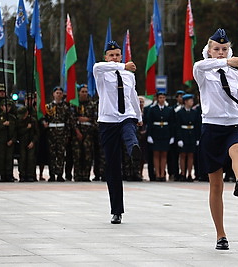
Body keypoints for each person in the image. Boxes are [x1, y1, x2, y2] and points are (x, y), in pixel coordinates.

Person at [193, 28, 238, 250]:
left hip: (233, 125)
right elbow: (200, 65)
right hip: (212, 127)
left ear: (230, 50)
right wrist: (225, 63)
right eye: (216, 49)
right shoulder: (203, 70)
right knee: (215, 185)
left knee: (237, 149)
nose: (220, 52)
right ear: (208, 50)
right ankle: (220, 234)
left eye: (224, 49)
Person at [93, 40, 142, 224]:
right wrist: (121, 65)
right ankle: (116, 210)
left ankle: (133, 150)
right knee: (113, 166)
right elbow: (98, 67)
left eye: (118, 55)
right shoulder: (101, 73)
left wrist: (138, 116)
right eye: (111, 55)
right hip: (108, 120)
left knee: (130, 132)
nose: (114, 58)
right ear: (106, 57)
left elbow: (133, 96)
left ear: (122, 55)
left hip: (126, 116)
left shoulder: (128, 75)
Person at [44, 86, 73, 182]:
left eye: (60, 93)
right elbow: (44, 117)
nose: (59, 95)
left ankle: (60, 174)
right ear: (53, 94)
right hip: (51, 133)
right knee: (51, 154)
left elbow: (68, 121)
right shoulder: (48, 107)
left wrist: (67, 134)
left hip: (62, 133)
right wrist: (44, 123)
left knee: (61, 155)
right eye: (57, 93)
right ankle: (52, 174)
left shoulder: (66, 107)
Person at [146, 92, 175, 181]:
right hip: (156, 133)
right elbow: (149, 123)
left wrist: (172, 136)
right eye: (160, 98)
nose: (162, 99)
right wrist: (149, 135)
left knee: (164, 155)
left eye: (163, 97)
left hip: (165, 133)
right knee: (156, 154)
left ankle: (162, 174)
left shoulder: (169, 110)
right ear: (157, 99)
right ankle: (157, 174)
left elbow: (172, 123)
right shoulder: (152, 109)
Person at [71, 84, 96, 182]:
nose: (84, 94)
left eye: (86, 92)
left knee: (88, 155)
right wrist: (77, 132)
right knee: (77, 155)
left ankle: (86, 175)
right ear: (78, 93)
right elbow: (72, 119)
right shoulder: (75, 104)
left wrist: (88, 119)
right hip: (77, 133)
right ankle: (77, 175)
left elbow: (95, 118)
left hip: (88, 134)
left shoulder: (92, 104)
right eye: (82, 92)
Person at [175, 94, 200, 181]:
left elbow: (197, 126)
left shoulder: (195, 112)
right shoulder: (180, 112)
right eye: (190, 101)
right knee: (183, 155)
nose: (192, 102)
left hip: (192, 135)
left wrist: (197, 138)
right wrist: (179, 139)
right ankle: (182, 173)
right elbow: (178, 126)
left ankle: (189, 174)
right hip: (184, 134)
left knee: (191, 155)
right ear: (185, 101)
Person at [0, 100, 17, 182]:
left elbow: (15, 130)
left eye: (9, 106)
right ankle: (2, 174)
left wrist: (13, 140)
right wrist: (3, 125)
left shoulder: (13, 118)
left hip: (10, 140)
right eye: (5, 106)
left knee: (9, 158)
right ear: (2, 107)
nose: (7, 108)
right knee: (1, 158)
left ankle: (9, 174)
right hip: (1, 140)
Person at [16, 106, 39, 182]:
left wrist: (33, 142)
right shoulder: (19, 120)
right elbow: (18, 132)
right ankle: (22, 175)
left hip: (31, 142)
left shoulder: (32, 120)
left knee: (31, 159)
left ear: (27, 113)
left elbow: (37, 133)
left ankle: (30, 175)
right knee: (22, 159)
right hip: (22, 142)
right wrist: (27, 128)